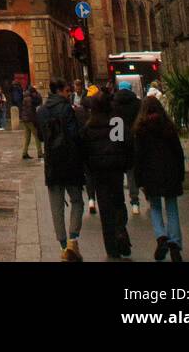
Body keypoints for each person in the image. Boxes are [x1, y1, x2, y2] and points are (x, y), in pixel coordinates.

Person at [36, 78, 86, 263]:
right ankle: (73, 240)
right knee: (77, 201)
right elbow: (74, 135)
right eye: (67, 90)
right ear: (59, 91)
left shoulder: (41, 111)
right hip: (70, 162)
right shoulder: (67, 108)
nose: (69, 93)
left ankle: (63, 246)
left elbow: (41, 136)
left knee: (56, 207)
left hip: (52, 164)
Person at [82, 92, 133, 260]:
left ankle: (111, 248)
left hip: (99, 173)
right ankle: (120, 230)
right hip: (115, 171)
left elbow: (85, 151)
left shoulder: (90, 125)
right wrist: (126, 164)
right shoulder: (116, 123)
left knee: (104, 210)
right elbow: (125, 144)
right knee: (118, 202)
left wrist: (89, 169)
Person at [133, 97, 186, 262]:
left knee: (155, 207)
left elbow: (138, 157)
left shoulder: (140, 129)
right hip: (170, 172)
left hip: (150, 174)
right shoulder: (168, 127)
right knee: (172, 208)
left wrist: (138, 179)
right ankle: (175, 244)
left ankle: (161, 237)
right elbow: (178, 152)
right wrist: (181, 173)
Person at [113, 81, 142, 215]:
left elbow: (114, 126)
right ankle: (135, 200)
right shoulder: (138, 103)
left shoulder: (113, 104)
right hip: (135, 140)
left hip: (119, 140)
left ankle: (120, 202)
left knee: (119, 173)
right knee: (133, 171)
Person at [20, 80, 43, 159]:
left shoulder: (26, 97)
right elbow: (31, 111)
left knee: (27, 137)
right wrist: (34, 121)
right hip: (30, 120)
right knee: (37, 136)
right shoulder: (30, 98)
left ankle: (24, 152)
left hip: (25, 119)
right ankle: (39, 152)